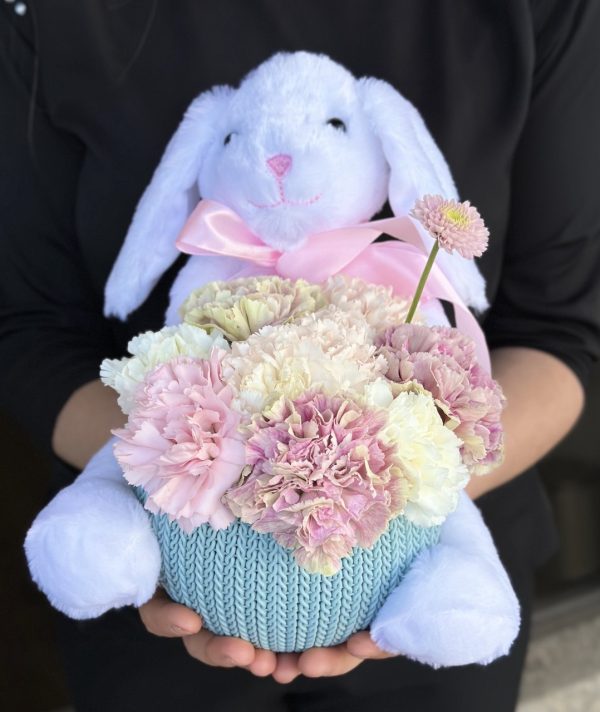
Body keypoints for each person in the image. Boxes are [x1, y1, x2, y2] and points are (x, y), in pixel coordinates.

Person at [1, 1, 599, 710]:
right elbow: (30, 326)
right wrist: (182, 483)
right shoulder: (54, 18)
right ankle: (103, 535)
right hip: (170, 572)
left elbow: (564, 330)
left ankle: (458, 587)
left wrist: (391, 495)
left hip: (416, 572)